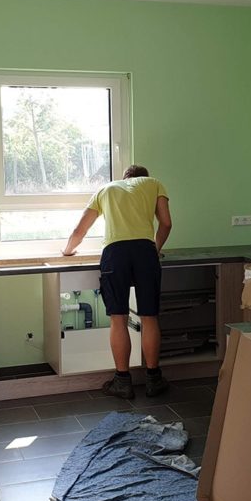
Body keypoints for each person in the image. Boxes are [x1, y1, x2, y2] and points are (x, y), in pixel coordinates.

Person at [61, 165, 172, 400]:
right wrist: (155, 249)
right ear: (143, 178)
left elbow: (80, 229)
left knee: (118, 318)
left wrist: (67, 251)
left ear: (125, 178)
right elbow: (166, 223)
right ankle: (153, 380)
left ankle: (122, 381)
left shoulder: (106, 189)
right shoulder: (154, 183)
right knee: (149, 316)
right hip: (145, 252)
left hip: (115, 254)